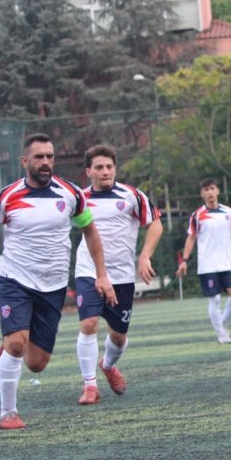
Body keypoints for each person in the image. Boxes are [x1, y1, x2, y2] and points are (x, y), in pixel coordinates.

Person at [0, 133, 116, 430]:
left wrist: (102, 274)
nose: (46, 162)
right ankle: (7, 412)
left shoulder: (71, 194)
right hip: (16, 281)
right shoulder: (6, 197)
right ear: (26, 161)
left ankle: (12, 344)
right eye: (39, 157)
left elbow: (91, 233)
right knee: (16, 343)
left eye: (50, 156)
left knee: (36, 363)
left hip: (53, 286)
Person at [71, 145, 163, 406]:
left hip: (121, 275)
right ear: (88, 171)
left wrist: (144, 256)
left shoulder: (133, 196)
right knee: (88, 324)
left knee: (118, 336)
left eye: (109, 167)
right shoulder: (79, 198)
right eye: (99, 167)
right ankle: (90, 386)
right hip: (88, 270)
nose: (105, 172)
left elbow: (155, 224)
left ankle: (108, 365)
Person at [178, 178, 231, 344]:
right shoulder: (197, 215)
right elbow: (191, 238)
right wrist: (184, 260)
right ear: (202, 194)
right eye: (206, 190)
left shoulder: (228, 212)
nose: (210, 192)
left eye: (212, 189)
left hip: (228, 263)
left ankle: (222, 323)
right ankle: (221, 333)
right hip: (208, 265)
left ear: (218, 191)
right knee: (215, 299)